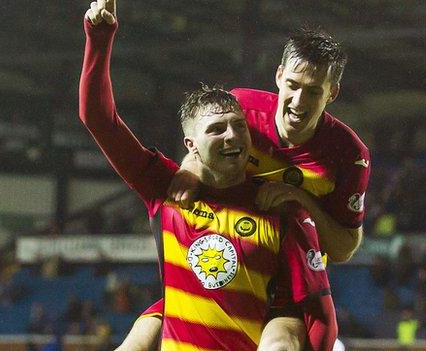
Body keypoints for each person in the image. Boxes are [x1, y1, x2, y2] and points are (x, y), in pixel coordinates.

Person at [80, 2, 333, 349]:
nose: (232, 136)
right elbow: (98, 118)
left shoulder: (280, 207)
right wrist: (100, 37)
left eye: (238, 126)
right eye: (216, 129)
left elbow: (313, 310)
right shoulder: (164, 186)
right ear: (191, 145)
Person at [134, 15, 370, 351]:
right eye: (293, 84)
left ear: (332, 93)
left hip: (285, 286)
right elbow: (201, 145)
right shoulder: (241, 108)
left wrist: (299, 200)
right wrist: (188, 168)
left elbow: (344, 248)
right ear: (278, 76)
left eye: (314, 91)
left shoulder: (349, 154)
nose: (299, 101)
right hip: (219, 275)